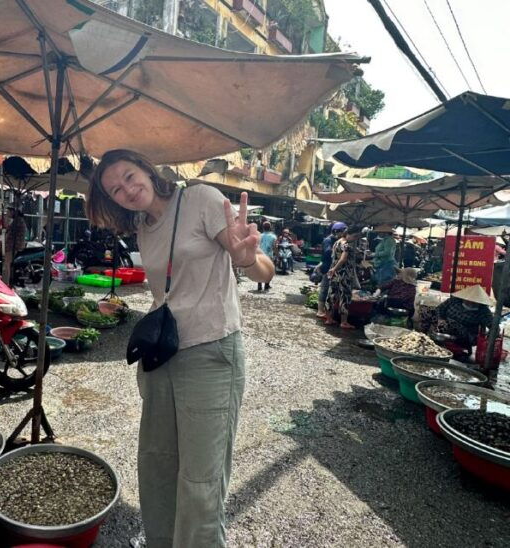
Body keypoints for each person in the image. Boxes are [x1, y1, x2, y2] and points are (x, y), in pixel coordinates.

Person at [87, 149, 274, 548]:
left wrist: (246, 259)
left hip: (211, 354)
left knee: (201, 479)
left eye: (129, 176)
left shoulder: (200, 199)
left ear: (146, 168)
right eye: (115, 189)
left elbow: (263, 267)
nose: (126, 190)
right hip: (162, 356)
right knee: (157, 463)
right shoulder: (144, 226)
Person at [436, 285, 493, 349]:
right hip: (443, 325)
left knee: (451, 324)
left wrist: (487, 340)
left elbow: (494, 328)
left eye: (475, 301)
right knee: (428, 312)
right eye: (469, 299)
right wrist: (440, 319)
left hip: (466, 335)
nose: (471, 302)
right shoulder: (454, 300)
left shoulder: (484, 311)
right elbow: (439, 309)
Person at [325, 227, 359, 329]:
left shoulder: (336, 243)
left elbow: (335, 257)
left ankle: (328, 319)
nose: (355, 239)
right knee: (345, 296)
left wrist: (333, 269)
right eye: (354, 236)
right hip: (344, 274)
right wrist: (335, 269)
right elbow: (343, 259)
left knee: (332, 295)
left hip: (334, 274)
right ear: (348, 234)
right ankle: (344, 322)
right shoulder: (346, 245)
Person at [316, 222, 346, 318]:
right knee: (324, 289)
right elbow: (327, 252)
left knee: (331, 290)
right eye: (342, 232)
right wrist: (339, 251)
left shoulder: (336, 240)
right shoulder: (328, 240)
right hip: (327, 267)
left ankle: (328, 310)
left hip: (333, 267)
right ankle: (320, 310)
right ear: (337, 231)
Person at [258, 221, 277, 291]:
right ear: (270, 228)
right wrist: (277, 255)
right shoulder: (273, 236)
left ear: (263, 228)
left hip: (260, 255)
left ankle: (259, 285)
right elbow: (274, 247)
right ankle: (266, 285)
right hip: (269, 256)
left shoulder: (259, 236)